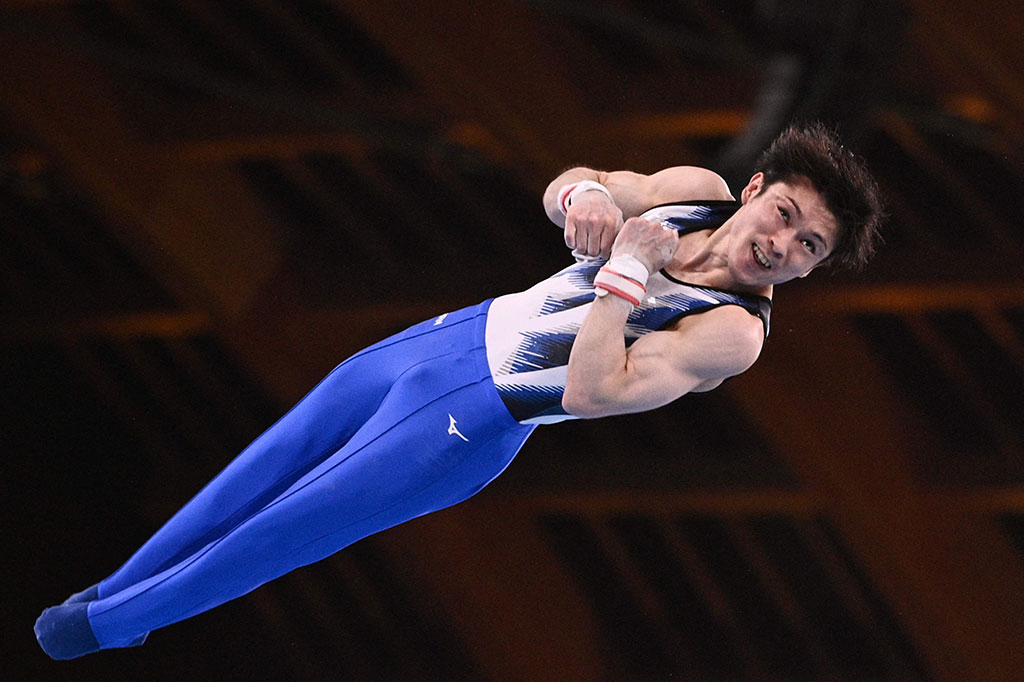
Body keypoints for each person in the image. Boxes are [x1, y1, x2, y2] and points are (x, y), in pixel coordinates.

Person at [35, 122, 883, 659]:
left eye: (810, 248)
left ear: (812, 269)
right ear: (757, 191)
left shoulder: (734, 332)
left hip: (473, 419)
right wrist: (582, 196)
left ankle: (101, 629)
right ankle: (113, 597)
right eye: (787, 217)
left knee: (283, 526)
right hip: (441, 339)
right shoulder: (694, 193)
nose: (784, 247)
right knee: (259, 468)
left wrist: (626, 272)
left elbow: (593, 389)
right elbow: (577, 182)